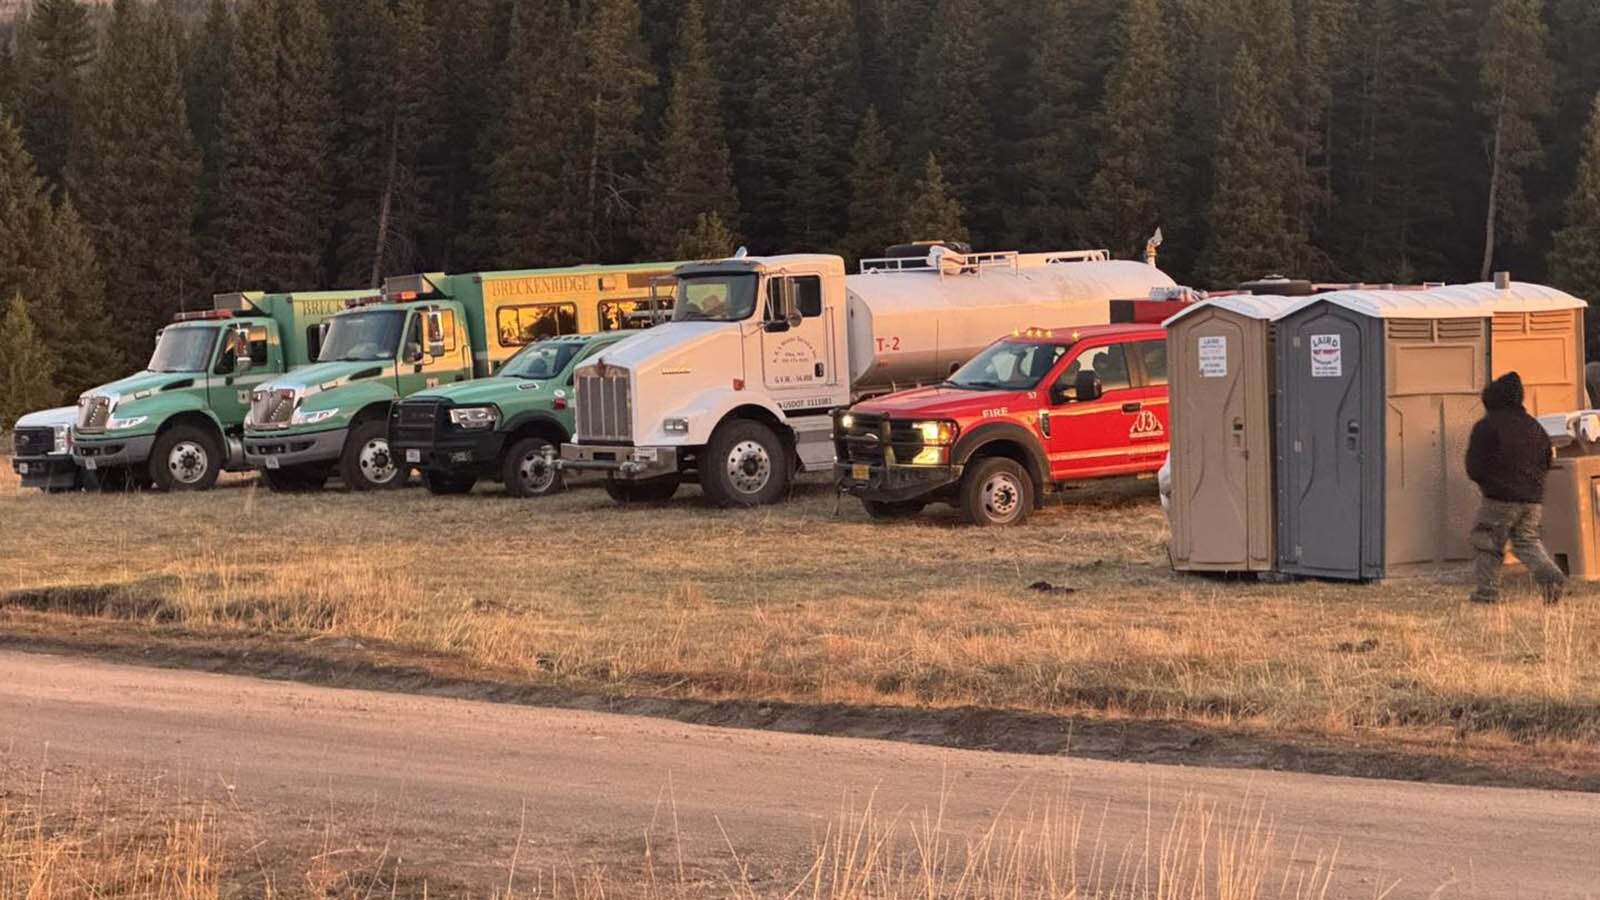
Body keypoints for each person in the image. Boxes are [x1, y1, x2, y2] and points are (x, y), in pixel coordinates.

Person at [1465, 371, 1566, 604]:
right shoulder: (1535, 427)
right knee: (1526, 540)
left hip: (1500, 498)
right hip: (1533, 499)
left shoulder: (1488, 426)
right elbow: (1547, 461)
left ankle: (1486, 593)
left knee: (1487, 541)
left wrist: (1488, 484)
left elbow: (1474, 466)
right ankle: (1550, 575)